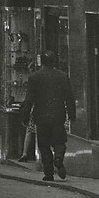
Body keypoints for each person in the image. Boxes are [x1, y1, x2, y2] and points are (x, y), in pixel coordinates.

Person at [26, 51, 76, 181]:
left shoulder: (34, 77)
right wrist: (72, 114)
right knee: (59, 141)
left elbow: (29, 100)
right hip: (58, 116)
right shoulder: (62, 76)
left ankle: (48, 173)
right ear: (54, 61)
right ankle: (58, 157)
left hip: (41, 117)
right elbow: (69, 97)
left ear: (41, 62)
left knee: (44, 145)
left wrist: (25, 116)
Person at [17, 59, 38, 164]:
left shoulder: (33, 78)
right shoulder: (37, 77)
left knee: (30, 131)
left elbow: (29, 98)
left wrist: (26, 112)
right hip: (41, 108)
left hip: (35, 109)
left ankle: (25, 153)